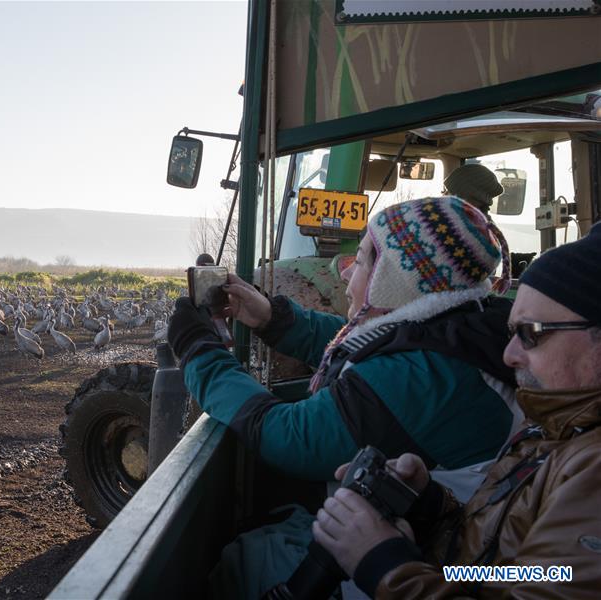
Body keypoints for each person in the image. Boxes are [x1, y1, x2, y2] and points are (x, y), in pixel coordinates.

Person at [168, 196, 517, 596]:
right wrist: (271, 318)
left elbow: (290, 436)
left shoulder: (420, 376)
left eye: (366, 260)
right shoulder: (463, 326)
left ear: (397, 279)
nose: (348, 274)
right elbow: (367, 348)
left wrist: (199, 352)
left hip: (426, 567)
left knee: (245, 562)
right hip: (452, 543)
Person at [313, 222, 601, 598]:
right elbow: (509, 577)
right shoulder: (555, 426)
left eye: (530, 333)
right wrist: (430, 508)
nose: (509, 354)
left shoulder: (590, 461)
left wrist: (384, 566)